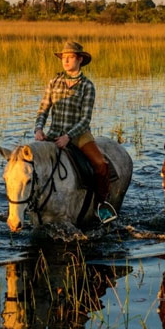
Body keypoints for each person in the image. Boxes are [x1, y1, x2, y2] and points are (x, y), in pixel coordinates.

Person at [34, 41, 115, 222]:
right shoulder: (53, 82)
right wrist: (39, 129)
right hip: (53, 132)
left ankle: (101, 205)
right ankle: (31, 203)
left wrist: (68, 136)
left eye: (70, 57)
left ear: (79, 59)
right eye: (64, 57)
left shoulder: (87, 86)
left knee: (101, 164)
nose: (66, 61)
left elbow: (85, 119)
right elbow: (43, 110)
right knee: (30, 164)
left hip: (79, 135)